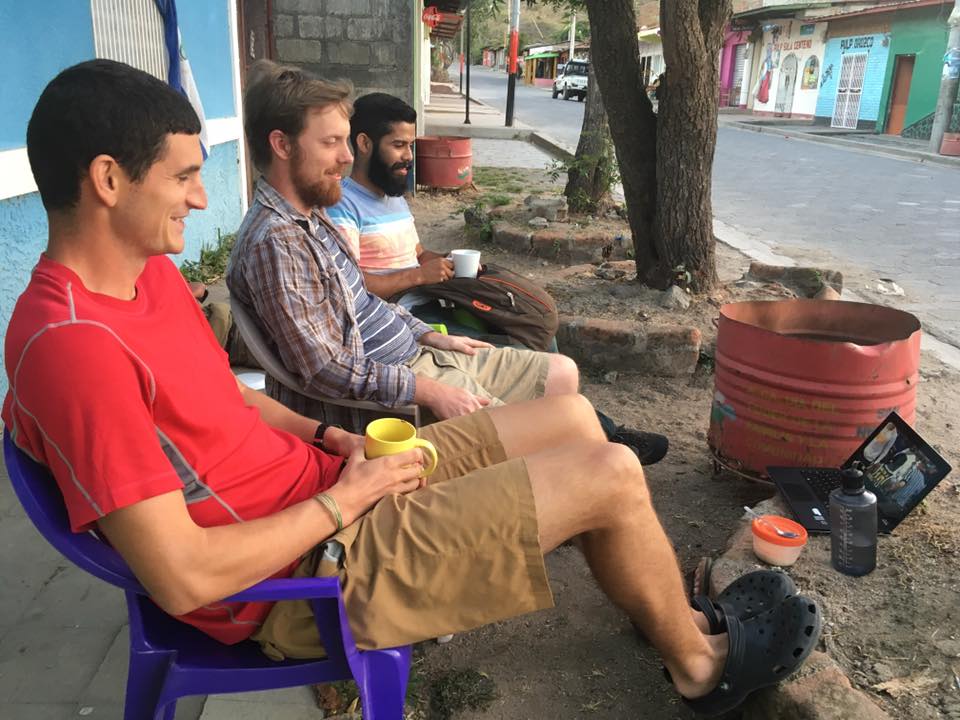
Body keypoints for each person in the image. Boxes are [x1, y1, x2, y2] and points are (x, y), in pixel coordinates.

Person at [3, 59, 821, 717]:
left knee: (573, 414)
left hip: (330, 488)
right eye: (182, 176)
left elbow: (236, 399)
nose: (202, 195)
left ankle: (660, 613)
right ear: (109, 180)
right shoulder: (75, 349)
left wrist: (335, 442)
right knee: (609, 474)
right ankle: (698, 664)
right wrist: (344, 501)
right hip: (303, 579)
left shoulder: (146, 281)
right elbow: (182, 578)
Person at [227, 62, 668, 464]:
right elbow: (323, 368)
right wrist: (431, 390)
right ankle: (559, 490)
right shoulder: (277, 243)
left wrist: (434, 338)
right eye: (331, 143)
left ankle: (570, 483)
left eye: (345, 142)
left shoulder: (311, 215)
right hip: (390, 394)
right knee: (564, 426)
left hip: (417, 355)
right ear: (282, 145)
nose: (346, 157)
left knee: (561, 373)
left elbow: (359, 299)